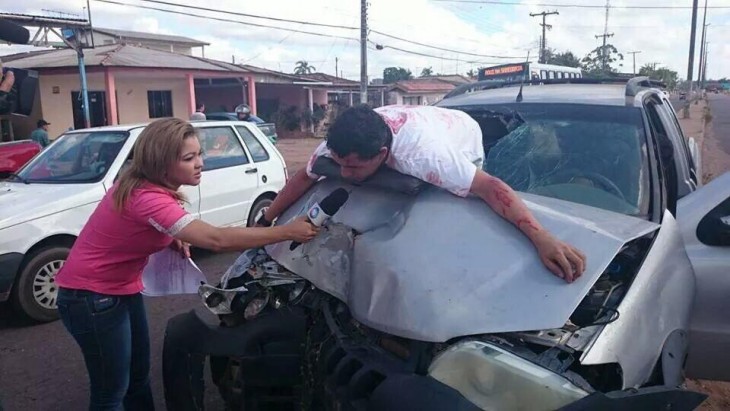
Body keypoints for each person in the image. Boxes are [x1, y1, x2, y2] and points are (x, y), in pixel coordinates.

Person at [53, 118, 319, 410]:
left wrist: (170, 238)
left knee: (138, 378)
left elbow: (133, 228)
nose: (200, 163)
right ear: (161, 162)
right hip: (91, 297)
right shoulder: (147, 198)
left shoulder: (139, 184)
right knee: (112, 392)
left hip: (118, 291)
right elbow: (215, 239)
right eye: (188, 158)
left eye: (199, 155)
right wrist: (287, 231)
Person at [257, 104, 587, 283]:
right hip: (428, 119)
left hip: (463, 133)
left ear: (384, 153)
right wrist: (267, 219)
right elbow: (304, 177)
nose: (343, 173)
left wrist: (542, 237)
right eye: (340, 164)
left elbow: (491, 187)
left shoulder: (427, 157)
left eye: (354, 168)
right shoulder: (337, 147)